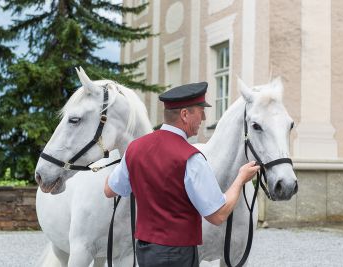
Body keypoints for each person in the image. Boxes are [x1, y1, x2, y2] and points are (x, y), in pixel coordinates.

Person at [104, 82, 260, 267]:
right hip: (178, 254)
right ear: (185, 114)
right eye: (200, 111)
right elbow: (217, 215)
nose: (203, 117)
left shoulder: (134, 149)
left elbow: (109, 190)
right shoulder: (191, 158)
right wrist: (240, 179)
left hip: (145, 250)